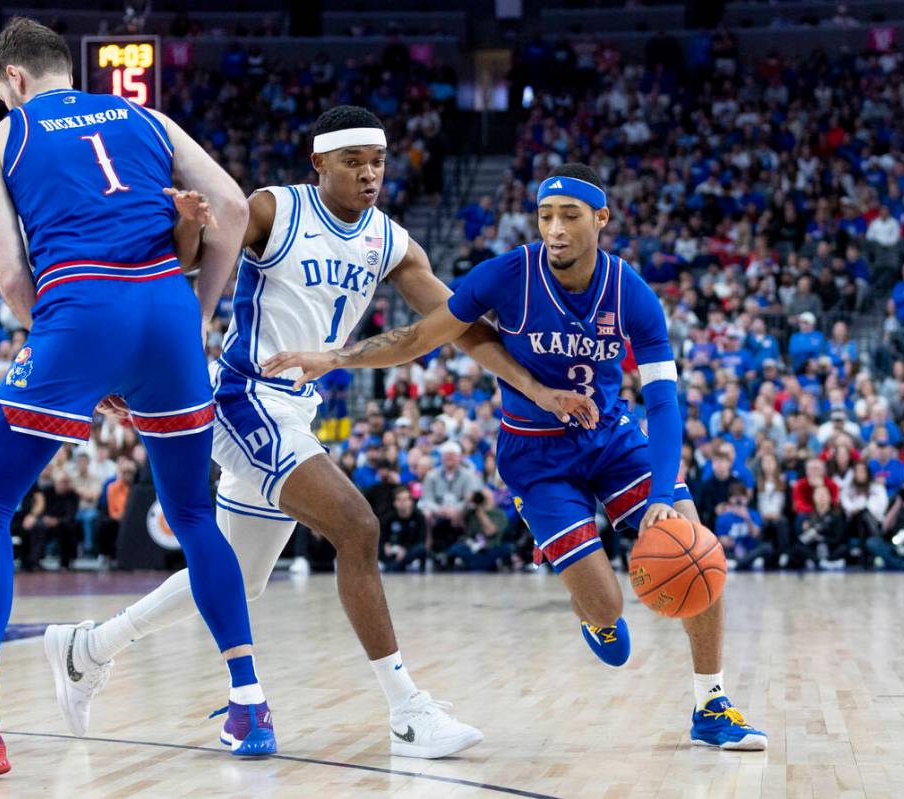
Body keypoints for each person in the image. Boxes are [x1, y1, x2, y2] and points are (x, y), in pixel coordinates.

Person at [67, 105, 572, 759]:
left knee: (237, 577)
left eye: (378, 161)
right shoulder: (274, 210)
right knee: (357, 526)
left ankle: (88, 649)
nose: (369, 174)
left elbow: (455, 323)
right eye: (352, 161)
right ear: (319, 164)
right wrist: (187, 234)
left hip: (294, 408)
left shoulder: (389, 241)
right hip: (246, 400)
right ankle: (406, 711)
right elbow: (180, 269)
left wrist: (531, 381)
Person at [0, 18, 275, 782]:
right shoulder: (148, 116)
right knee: (193, 516)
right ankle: (248, 702)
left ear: (14, 79)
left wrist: (77, 356)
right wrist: (195, 317)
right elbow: (235, 211)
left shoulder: (0, 139)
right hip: (169, 311)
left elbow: (13, 279)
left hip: (83, 307)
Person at [265, 163, 767, 750]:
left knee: (695, 547)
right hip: (536, 455)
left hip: (610, 439)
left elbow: (663, 401)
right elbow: (422, 337)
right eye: (545, 216)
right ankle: (593, 611)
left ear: (601, 219)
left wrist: (662, 496)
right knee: (607, 607)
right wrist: (337, 357)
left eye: (570, 216)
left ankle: (712, 703)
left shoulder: (633, 293)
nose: (554, 228)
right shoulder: (507, 276)